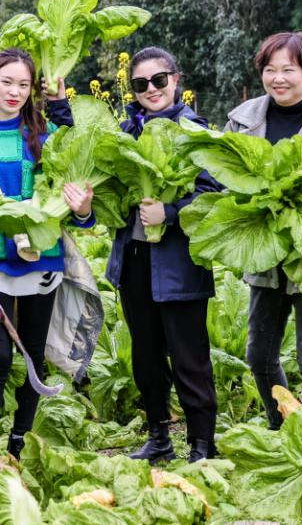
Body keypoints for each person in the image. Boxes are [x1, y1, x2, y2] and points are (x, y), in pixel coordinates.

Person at [0, 48, 94, 462]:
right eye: (7, 82)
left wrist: (83, 208)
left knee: (33, 353)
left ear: (33, 90)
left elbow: (78, 194)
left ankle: (18, 444)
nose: (14, 91)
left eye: (24, 85)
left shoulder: (44, 136)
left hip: (40, 259)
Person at [224, 31, 302, 429]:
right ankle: (281, 424)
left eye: (289, 70)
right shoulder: (243, 120)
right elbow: (221, 178)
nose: (278, 78)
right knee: (259, 354)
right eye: (270, 69)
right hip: (266, 250)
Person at [104, 48, 220, 463]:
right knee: (146, 356)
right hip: (134, 260)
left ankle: (202, 444)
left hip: (179, 264)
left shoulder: (196, 132)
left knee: (190, 357)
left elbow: (213, 195)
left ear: (175, 79)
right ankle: (159, 438)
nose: (151, 90)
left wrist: (169, 213)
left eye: (159, 80)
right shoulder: (125, 132)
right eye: (140, 84)